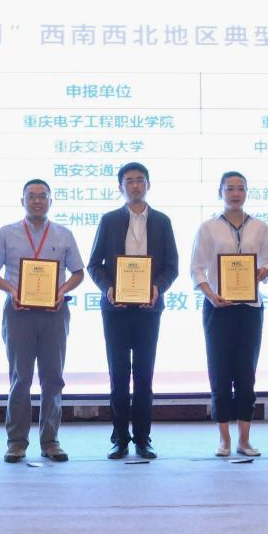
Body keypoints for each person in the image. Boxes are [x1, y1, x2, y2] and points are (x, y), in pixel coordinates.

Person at [0, 179, 84, 463]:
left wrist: (62, 291)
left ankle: (50, 441)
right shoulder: (7, 233)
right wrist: (11, 290)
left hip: (54, 313)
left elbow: (78, 273)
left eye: (43, 196)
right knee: (20, 378)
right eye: (32, 196)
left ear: (51, 201)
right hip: (18, 313)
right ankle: (16, 442)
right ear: (23, 201)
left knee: (53, 378)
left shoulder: (64, 234)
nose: (37, 201)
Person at [87, 162, 179, 460]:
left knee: (143, 375)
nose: (135, 185)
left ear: (148, 185)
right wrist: (108, 288)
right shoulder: (109, 220)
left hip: (149, 308)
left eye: (140, 180)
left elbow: (171, 266)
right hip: (115, 308)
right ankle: (119, 439)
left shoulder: (162, 221)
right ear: (120, 187)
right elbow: (94, 265)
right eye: (129, 181)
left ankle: (142, 438)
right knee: (118, 375)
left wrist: (157, 288)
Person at [190, 171, 268, 457]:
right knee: (220, 372)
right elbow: (196, 268)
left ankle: (244, 440)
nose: (236, 194)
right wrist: (210, 294)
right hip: (218, 308)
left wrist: (263, 272)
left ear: (247, 192)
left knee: (246, 374)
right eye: (230, 189)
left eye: (240, 188)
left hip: (250, 309)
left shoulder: (260, 227)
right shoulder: (208, 228)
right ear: (220, 192)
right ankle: (224, 440)